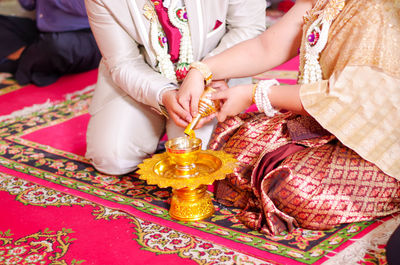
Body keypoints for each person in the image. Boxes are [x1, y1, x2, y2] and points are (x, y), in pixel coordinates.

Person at [178, 0, 400, 235]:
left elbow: (351, 97)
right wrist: (201, 71)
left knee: (292, 189)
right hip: (324, 117)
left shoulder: (379, 10)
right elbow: (266, 47)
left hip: (378, 139)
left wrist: (257, 93)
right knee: (235, 148)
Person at [84, 0, 267, 175]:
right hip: (143, 78)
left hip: (215, 76)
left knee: (198, 160)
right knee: (112, 158)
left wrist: (207, 72)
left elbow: (248, 27)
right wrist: (163, 95)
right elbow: (123, 62)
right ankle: (156, 118)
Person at [0, 0, 101, 86]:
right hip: (46, 32)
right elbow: (28, 5)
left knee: (57, 45)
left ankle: (15, 63)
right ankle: (35, 60)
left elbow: (83, 9)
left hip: (88, 35)